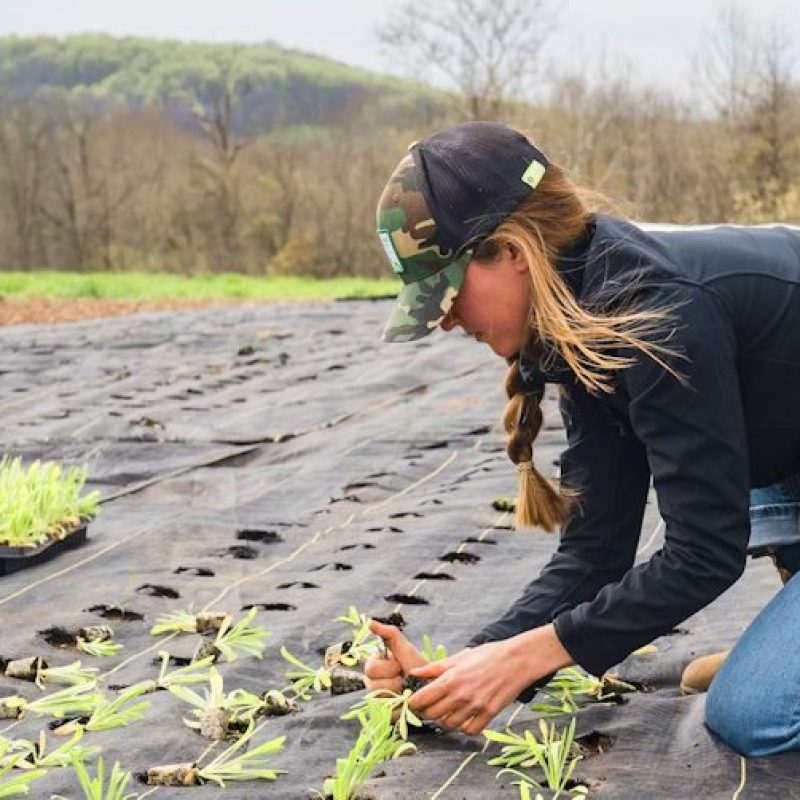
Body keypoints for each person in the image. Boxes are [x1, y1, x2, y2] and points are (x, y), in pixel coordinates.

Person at [363, 120, 800, 758]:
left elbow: (704, 553)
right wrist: (464, 672)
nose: (448, 320)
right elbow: (596, 553)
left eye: (450, 291)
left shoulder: (656, 313)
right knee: (735, 473)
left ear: (511, 251)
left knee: (752, 714)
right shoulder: (587, 315)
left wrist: (528, 655)